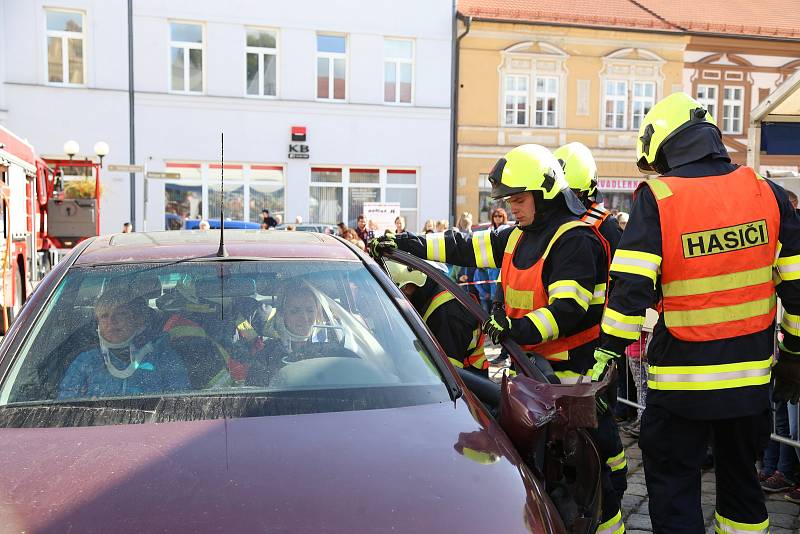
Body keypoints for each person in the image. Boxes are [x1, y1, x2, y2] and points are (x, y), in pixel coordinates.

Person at [370, 143, 624, 533]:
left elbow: (569, 309)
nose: (513, 208)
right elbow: (464, 246)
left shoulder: (574, 239)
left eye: (519, 199)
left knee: (588, 476)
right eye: (508, 200)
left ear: (546, 192)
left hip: (574, 378)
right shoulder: (522, 236)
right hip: (534, 373)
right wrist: (410, 245)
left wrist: (516, 330)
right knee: (547, 471)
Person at [591, 92, 800, 534]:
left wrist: (607, 357)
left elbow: (630, 290)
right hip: (750, 384)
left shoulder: (660, 197)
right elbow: (798, 290)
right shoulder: (769, 194)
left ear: (664, 146)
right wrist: (796, 354)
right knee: (744, 492)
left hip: (682, 385)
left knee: (674, 489)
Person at [59, 287, 190, 399]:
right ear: (97, 323)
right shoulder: (86, 362)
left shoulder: (162, 357)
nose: (112, 321)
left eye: (121, 313)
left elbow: (180, 400)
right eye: (104, 316)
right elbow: (65, 403)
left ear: (138, 320)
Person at [387, 261, 489, 377]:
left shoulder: (447, 312)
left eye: (395, 293)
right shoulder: (428, 297)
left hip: (471, 382)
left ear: (407, 287)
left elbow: (449, 374)